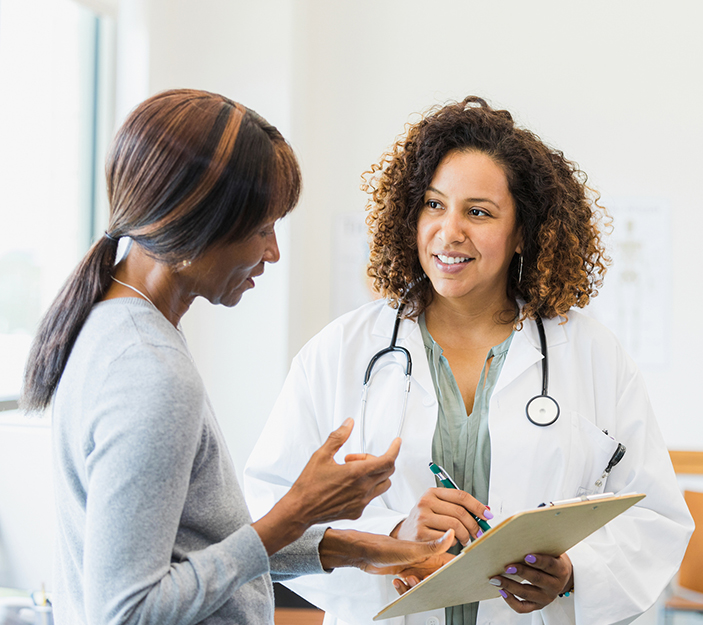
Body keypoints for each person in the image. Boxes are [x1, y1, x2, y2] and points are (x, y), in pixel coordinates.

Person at [243, 96, 694, 625]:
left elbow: (655, 515)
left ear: (523, 231)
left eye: (478, 212)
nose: (450, 231)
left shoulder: (592, 354)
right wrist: (391, 536)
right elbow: (265, 512)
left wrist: (573, 571)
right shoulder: (341, 351)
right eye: (434, 205)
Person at [20, 89, 454, 625]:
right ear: (195, 223)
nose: (272, 252)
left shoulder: (109, 325)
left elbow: (190, 554)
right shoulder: (150, 372)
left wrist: (353, 548)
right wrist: (296, 512)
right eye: (261, 229)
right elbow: (129, 612)